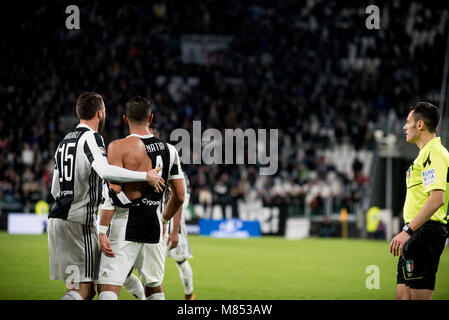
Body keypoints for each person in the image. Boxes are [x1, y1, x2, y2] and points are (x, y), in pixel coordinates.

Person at [48, 92, 165, 300]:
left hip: (58, 219)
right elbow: (106, 171)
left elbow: (55, 188)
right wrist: (144, 175)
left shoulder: (65, 141)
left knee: (77, 287)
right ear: (100, 113)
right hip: (79, 221)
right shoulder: (92, 138)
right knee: (82, 290)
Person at [96, 96, 185, 300]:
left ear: (125, 119)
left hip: (123, 224)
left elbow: (115, 189)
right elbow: (179, 195)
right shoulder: (169, 150)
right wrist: (163, 219)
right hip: (153, 226)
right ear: (150, 117)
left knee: (108, 287)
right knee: (153, 286)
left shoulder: (117, 147)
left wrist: (102, 230)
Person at [390, 102, 449, 300]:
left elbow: (436, 200)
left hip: (424, 232)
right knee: (402, 297)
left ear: (420, 124)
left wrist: (407, 231)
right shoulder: (424, 155)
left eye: (408, 122)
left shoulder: (435, 153)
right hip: (416, 232)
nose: (404, 127)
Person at [152, 125, 195, 300]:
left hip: (172, 223)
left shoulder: (173, 166)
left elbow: (182, 198)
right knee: (155, 266)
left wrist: (174, 228)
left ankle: (189, 295)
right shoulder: (146, 165)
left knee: (181, 261)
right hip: (154, 222)